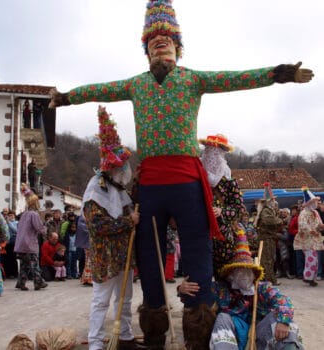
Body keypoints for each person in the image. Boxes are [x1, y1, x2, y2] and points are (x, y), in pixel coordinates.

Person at [48, 1, 314, 348]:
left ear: (178, 46)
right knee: (149, 255)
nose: (160, 43)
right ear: (146, 50)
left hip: (187, 181)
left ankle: (199, 332)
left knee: (198, 253)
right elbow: (98, 89)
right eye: (153, 40)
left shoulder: (193, 79)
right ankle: (156, 330)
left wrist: (279, 74)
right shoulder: (136, 84)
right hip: (153, 185)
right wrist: (67, 98)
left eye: (167, 39)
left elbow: (236, 79)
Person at [178, 229, 304, 350]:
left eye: (248, 271)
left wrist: (283, 321)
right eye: (239, 271)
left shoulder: (263, 288)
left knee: (283, 320)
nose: (244, 276)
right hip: (234, 335)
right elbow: (199, 293)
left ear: (254, 274)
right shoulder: (221, 289)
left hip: (260, 334)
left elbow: (283, 301)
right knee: (222, 317)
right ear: (231, 274)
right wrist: (182, 289)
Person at [82, 106, 142, 350]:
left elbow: (129, 210)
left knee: (125, 299)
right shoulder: (95, 189)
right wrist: (129, 222)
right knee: (101, 300)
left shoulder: (119, 189)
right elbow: (97, 224)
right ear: (111, 167)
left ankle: (125, 336)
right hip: (105, 256)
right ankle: (96, 343)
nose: (125, 170)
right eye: (122, 166)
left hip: (124, 255)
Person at [199, 134, 244, 279]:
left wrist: (222, 211)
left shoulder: (228, 180)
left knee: (223, 277)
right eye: (208, 151)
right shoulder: (196, 176)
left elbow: (238, 208)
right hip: (199, 233)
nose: (211, 155)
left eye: (215, 152)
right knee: (201, 277)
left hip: (223, 237)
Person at [14, 184, 48, 291]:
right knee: (34, 263)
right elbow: (39, 228)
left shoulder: (24, 214)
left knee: (24, 264)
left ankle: (21, 282)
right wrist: (45, 229)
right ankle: (38, 282)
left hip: (21, 243)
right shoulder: (34, 214)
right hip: (30, 244)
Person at [294, 187, 324, 287]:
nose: (316, 204)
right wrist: (312, 231)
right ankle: (308, 277)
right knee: (311, 258)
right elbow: (302, 225)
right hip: (307, 240)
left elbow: (319, 223)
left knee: (315, 259)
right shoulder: (304, 213)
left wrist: (320, 227)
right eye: (314, 202)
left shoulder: (315, 213)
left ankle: (311, 277)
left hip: (315, 239)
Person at [254, 182, 283, 285]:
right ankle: (267, 279)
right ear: (268, 201)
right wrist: (279, 220)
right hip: (265, 239)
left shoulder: (269, 210)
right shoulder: (266, 211)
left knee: (270, 259)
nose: (274, 201)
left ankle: (269, 278)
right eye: (273, 200)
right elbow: (269, 221)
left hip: (269, 238)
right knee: (267, 259)